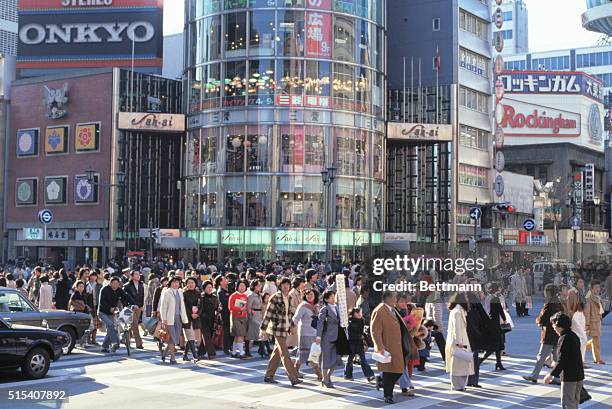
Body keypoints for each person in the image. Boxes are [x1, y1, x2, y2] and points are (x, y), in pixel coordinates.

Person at [260, 277, 302, 386]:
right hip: (277, 329)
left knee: (277, 354)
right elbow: (268, 314)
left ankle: (269, 375)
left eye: (287, 284)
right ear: (280, 285)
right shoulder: (275, 297)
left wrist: (291, 326)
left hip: (285, 328)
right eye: (284, 284)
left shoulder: (288, 297)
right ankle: (293, 377)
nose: (286, 286)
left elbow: (289, 314)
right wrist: (263, 329)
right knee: (285, 353)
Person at [371, 291, 410, 404]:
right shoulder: (379, 310)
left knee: (398, 370)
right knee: (389, 371)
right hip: (387, 347)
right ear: (387, 298)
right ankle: (388, 395)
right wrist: (380, 346)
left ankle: (382, 382)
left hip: (397, 346)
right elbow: (375, 331)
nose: (396, 299)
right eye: (393, 297)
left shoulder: (392, 309)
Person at [543, 312, 585, 409]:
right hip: (578, 375)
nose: (553, 327)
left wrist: (551, 374)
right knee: (574, 403)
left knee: (568, 404)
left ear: (559, 325)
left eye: (553, 324)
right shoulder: (574, 335)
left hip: (569, 377)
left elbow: (562, 360)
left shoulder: (564, 338)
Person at [523, 284, 562, 384]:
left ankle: (534, 376)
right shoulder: (558, 302)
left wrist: (538, 320)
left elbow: (542, 319)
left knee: (541, 357)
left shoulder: (549, 304)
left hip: (548, 334)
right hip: (557, 333)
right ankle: (557, 378)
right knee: (557, 357)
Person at [445, 293, 474, 391]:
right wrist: (459, 342)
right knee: (458, 363)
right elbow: (456, 328)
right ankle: (457, 385)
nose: (467, 299)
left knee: (462, 363)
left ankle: (460, 385)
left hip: (461, 339)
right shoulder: (457, 312)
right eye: (465, 298)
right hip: (459, 340)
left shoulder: (459, 310)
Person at [98, 277, 135, 353]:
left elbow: (126, 296)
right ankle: (114, 342)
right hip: (103, 312)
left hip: (112, 313)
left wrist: (133, 304)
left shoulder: (119, 290)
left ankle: (104, 347)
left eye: (117, 284)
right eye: (114, 283)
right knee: (111, 325)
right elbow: (102, 302)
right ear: (110, 283)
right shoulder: (104, 290)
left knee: (111, 329)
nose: (115, 285)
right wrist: (110, 308)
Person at [159, 277, 189, 364]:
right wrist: (164, 319)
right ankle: (172, 358)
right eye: (174, 282)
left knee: (175, 338)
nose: (176, 284)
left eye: (178, 282)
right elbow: (163, 307)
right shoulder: (167, 292)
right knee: (171, 337)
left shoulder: (180, 292)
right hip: (169, 318)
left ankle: (164, 352)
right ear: (171, 283)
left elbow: (182, 306)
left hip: (179, 317)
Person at [292, 288, 320, 378]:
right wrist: (291, 327)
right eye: (307, 295)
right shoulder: (303, 306)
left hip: (315, 333)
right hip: (305, 333)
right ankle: (319, 374)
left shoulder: (317, 306)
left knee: (314, 353)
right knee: (304, 354)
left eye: (311, 294)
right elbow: (296, 318)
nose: (309, 296)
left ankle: (295, 372)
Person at [480, 282, 507, 371]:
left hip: (489, 323)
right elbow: (500, 311)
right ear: (496, 289)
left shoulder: (487, 298)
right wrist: (505, 319)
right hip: (496, 324)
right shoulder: (496, 298)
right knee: (495, 345)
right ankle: (480, 361)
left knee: (498, 345)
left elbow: (487, 310)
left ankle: (498, 363)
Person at [466, 286, 489, 388]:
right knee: (468, 358)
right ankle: (468, 380)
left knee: (474, 359)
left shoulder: (476, 303)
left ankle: (473, 380)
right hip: (468, 334)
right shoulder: (465, 302)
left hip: (475, 334)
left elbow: (483, 317)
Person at [345, 307, 375, 382]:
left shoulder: (362, 320)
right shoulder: (350, 322)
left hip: (359, 343)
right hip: (351, 343)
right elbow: (350, 334)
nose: (359, 314)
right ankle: (348, 375)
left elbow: (363, 333)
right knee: (350, 360)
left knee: (363, 360)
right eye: (357, 313)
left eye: (360, 312)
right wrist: (360, 336)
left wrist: (367, 342)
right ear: (353, 314)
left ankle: (369, 376)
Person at [316, 290, 339, 388]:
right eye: (331, 297)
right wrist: (318, 336)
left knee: (337, 358)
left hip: (337, 336)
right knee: (325, 358)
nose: (333, 299)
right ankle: (325, 379)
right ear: (326, 299)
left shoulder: (337, 308)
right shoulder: (324, 309)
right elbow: (320, 323)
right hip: (326, 336)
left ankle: (327, 377)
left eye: (334, 296)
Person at [584, 280, 605, 364]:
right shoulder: (589, 299)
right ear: (591, 289)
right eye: (596, 288)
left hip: (597, 321)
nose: (598, 289)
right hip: (593, 322)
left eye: (598, 287)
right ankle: (597, 359)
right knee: (596, 341)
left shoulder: (597, 297)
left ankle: (579, 349)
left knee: (594, 341)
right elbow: (587, 313)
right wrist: (587, 324)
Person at [123, 270, 145, 349]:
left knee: (133, 324)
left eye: (139, 274)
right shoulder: (127, 286)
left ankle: (125, 338)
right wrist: (130, 305)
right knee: (135, 325)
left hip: (138, 307)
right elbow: (124, 297)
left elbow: (142, 296)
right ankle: (139, 343)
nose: (138, 276)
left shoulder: (141, 285)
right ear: (131, 276)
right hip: (130, 307)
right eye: (136, 274)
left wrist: (141, 306)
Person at [198, 280, 219, 360]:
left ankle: (200, 352)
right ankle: (211, 353)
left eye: (211, 287)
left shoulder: (214, 297)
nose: (209, 289)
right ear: (204, 288)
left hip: (212, 319)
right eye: (208, 287)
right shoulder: (201, 297)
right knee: (206, 336)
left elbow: (217, 307)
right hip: (203, 319)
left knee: (209, 336)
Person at [182, 277, 201, 362]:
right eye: (189, 283)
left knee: (192, 337)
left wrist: (197, 314)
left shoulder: (198, 293)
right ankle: (195, 355)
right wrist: (190, 314)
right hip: (187, 318)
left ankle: (185, 355)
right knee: (191, 337)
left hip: (196, 318)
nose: (191, 284)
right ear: (186, 284)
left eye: (192, 282)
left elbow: (201, 305)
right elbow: (184, 306)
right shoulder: (184, 294)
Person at [229, 280, 249, 358]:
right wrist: (240, 309)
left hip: (243, 317)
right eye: (240, 285)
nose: (242, 287)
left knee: (237, 336)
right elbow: (230, 307)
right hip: (235, 316)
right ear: (237, 286)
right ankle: (241, 352)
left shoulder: (245, 296)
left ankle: (234, 352)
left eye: (244, 286)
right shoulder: (233, 295)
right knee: (240, 334)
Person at [246, 279, 264, 358]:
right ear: (253, 286)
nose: (259, 287)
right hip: (253, 315)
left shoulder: (259, 295)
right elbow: (248, 307)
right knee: (251, 334)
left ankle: (261, 349)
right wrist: (250, 316)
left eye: (260, 285)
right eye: (258, 285)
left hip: (259, 315)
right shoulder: (251, 295)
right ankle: (248, 350)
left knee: (260, 332)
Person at [216, 275, 233, 356]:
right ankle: (226, 347)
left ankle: (229, 345)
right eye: (224, 279)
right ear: (220, 282)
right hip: (225, 314)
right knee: (226, 331)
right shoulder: (220, 292)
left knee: (230, 331)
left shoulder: (228, 289)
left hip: (230, 313)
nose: (227, 280)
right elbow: (224, 302)